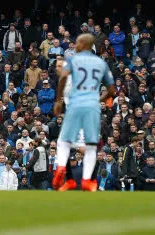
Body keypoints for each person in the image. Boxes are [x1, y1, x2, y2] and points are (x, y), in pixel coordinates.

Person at [52, 34, 116, 191]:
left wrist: (58, 101)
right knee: (91, 146)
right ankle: (87, 180)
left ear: (82, 44)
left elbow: (63, 79)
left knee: (63, 142)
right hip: (92, 107)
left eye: (77, 42)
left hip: (75, 105)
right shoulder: (101, 62)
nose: (75, 45)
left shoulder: (73, 61)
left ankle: (62, 169)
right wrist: (98, 101)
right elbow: (112, 90)